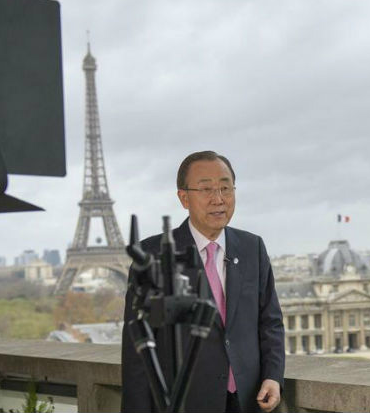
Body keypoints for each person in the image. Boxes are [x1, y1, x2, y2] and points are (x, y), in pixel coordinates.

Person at [121, 151, 285, 413]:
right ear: (184, 198)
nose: (218, 199)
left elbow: (270, 322)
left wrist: (273, 375)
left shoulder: (252, 247)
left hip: (249, 401)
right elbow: (138, 351)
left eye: (225, 187)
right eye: (206, 189)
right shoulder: (152, 256)